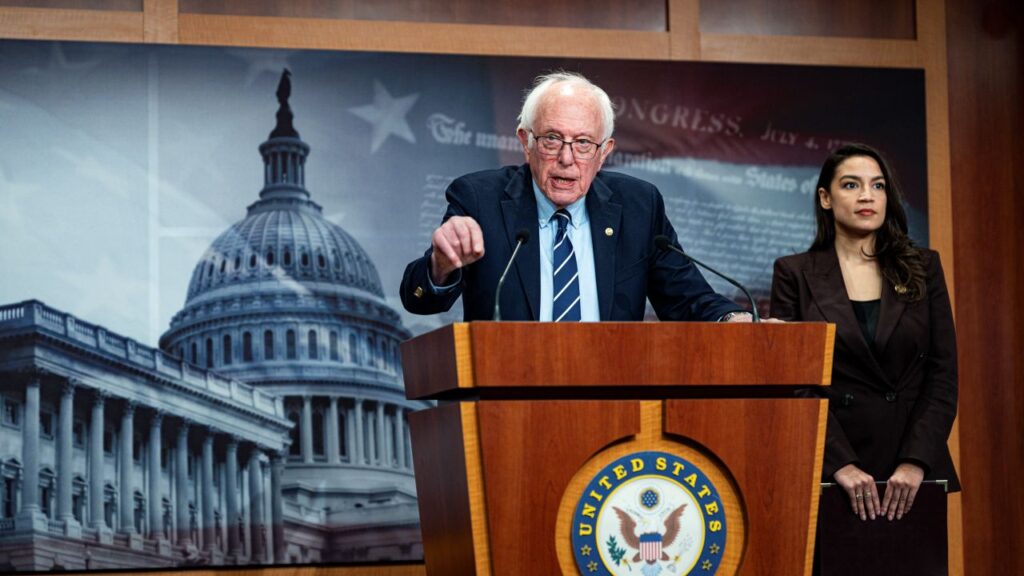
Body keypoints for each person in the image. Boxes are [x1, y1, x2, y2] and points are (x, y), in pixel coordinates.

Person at [401, 71, 751, 323]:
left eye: (584, 143)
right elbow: (418, 300)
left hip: (612, 402)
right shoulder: (479, 199)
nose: (567, 159)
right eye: (552, 139)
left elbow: (688, 299)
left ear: (605, 152)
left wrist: (737, 320)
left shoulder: (638, 206)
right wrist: (440, 266)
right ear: (526, 142)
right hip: (505, 402)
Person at [770, 143, 960, 525]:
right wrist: (841, 464)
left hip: (912, 472)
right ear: (825, 197)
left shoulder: (924, 267)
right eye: (852, 185)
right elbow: (796, 384)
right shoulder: (794, 273)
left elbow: (943, 373)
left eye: (877, 186)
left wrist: (915, 461)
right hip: (833, 472)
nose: (867, 196)